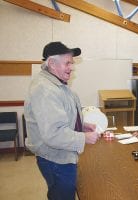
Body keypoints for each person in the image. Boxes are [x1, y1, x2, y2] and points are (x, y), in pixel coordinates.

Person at [24, 41, 100, 200]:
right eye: (68, 63)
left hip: (61, 155)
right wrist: (83, 137)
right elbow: (53, 134)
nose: (71, 67)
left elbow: (62, 115)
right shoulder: (45, 89)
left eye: (71, 63)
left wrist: (81, 126)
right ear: (51, 63)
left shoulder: (56, 84)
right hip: (55, 159)